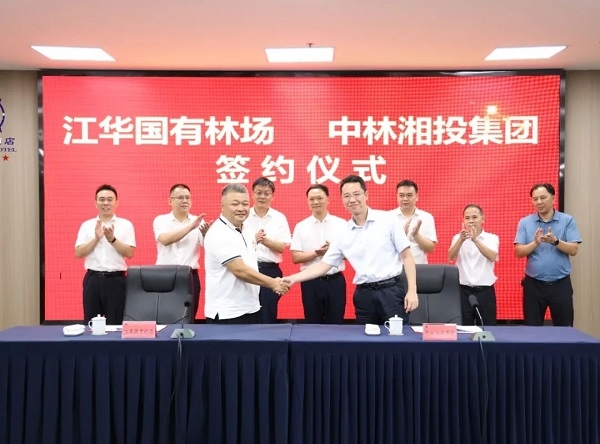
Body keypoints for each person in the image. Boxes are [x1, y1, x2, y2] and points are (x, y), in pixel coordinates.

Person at [284, 175, 418, 325]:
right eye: (347, 196)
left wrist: (412, 291)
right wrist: (293, 278)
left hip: (391, 292)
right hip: (364, 295)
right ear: (342, 199)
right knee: (364, 338)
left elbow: (407, 256)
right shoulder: (343, 232)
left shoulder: (388, 220)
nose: (352, 200)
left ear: (366, 195)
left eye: (356, 194)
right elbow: (323, 265)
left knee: (396, 336)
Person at [203, 183, 289, 324]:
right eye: (235, 204)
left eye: (245, 204)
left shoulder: (246, 228)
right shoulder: (219, 233)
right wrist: (273, 283)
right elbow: (240, 270)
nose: (241, 209)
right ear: (222, 206)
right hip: (227, 313)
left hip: (250, 308)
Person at [514, 183, 582, 326]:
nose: (539, 202)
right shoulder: (525, 222)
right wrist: (535, 243)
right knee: (532, 329)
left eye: (543, 197)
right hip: (533, 285)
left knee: (564, 328)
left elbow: (574, 250)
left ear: (553, 198)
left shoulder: (567, 220)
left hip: (560, 284)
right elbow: (518, 252)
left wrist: (555, 241)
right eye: (535, 199)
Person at [75, 184, 136, 325]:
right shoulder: (86, 225)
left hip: (116, 281)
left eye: (110, 199)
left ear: (116, 202)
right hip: (92, 280)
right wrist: (96, 239)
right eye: (102, 199)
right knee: (91, 324)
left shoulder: (126, 225)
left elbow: (129, 253)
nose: (106, 203)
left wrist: (112, 239)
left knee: (115, 324)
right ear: (95, 203)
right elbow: (78, 253)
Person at [290, 184, 347, 324]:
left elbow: (350, 254)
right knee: (312, 323)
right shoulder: (301, 226)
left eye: (319, 198)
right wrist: (316, 253)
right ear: (308, 202)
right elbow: (295, 257)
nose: (316, 202)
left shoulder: (341, 224)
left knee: (336, 323)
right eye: (312, 199)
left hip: (335, 281)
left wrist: (332, 251)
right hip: (310, 283)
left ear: (328, 199)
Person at [153, 184, 209, 321]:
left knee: (188, 317)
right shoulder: (161, 220)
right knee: (164, 317)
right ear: (170, 201)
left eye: (187, 198)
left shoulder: (199, 222)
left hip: (189, 276)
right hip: (165, 275)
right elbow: (165, 240)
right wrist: (191, 227)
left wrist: (206, 234)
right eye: (180, 197)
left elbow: (208, 248)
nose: (185, 201)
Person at [245, 177, 292, 323]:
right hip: (247, 269)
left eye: (266, 193)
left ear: (272, 196)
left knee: (268, 313)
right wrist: (253, 239)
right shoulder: (243, 216)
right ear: (252, 194)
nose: (262, 196)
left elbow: (281, 247)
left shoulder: (279, 218)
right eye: (259, 193)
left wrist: (264, 240)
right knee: (246, 312)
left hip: (270, 270)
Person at [448, 204, 499, 326]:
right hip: (463, 291)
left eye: (474, 217)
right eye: (467, 218)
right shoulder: (457, 238)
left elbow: (492, 256)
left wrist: (475, 239)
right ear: (463, 220)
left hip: (485, 292)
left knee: (487, 328)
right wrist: (461, 240)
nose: (471, 221)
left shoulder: (492, 238)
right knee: (464, 329)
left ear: (483, 219)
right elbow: (450, 257)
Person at [389, 180, 437, 264]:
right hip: (396, 268)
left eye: (409, 195)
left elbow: (430, 249)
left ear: (416, 197)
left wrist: (416, 235)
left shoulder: (426, 217)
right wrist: (401, 237)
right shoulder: (388, 217)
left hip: (420, 268)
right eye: (401, 195)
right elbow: (384, 249)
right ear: (397, 196)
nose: (405, 199)